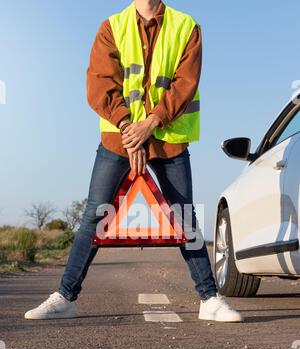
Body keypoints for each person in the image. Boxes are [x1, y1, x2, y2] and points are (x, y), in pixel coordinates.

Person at [24, 0, 243, 323]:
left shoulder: (186, 26)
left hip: (167, 138)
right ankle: (65, 297)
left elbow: (185, 83)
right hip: (120, 138)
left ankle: (209, 298)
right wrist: (130, 129)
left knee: (184, 216)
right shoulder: (112, 26)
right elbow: (99, 84)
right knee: (95, 215)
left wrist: (150, 124)